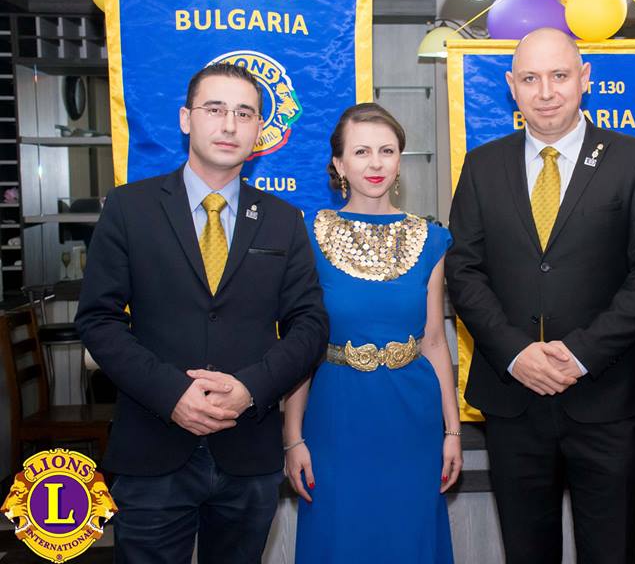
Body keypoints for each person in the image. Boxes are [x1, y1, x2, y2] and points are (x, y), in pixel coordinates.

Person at [75, 63, 328, 563]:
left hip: (248, 449)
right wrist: (171, 394)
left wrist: (250, 389)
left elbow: (310, 325)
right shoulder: (129, 208)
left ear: (260, 130)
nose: (229, 125)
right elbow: (98, 321)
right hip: (153, 444)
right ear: (186, 118)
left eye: (244, 113)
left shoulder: (282, 220)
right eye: (215, 109)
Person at [445, 28, 635, 563]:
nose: (545, 91)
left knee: (610, 551)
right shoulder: (482, 165)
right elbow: (464, 271)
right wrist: (516, 352)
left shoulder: (634, 160)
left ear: (584, 78)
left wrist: (580, 354)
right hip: (514, 398)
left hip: (607, 396)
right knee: (526, 551)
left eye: (559, 75)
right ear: (511, 86)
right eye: (530, 78)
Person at [283, 102, 460, 563]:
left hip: (413, 418)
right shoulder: (308, 235)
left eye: (387, 150)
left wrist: (452, 431)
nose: (375, 163)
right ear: (339, 164)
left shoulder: (430, 238)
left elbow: (434, 341)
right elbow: (299, 346)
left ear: (399, 160)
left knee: (409, 539)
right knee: (340, 539)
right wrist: (293, 436)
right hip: (336, 415)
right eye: (361, 151)